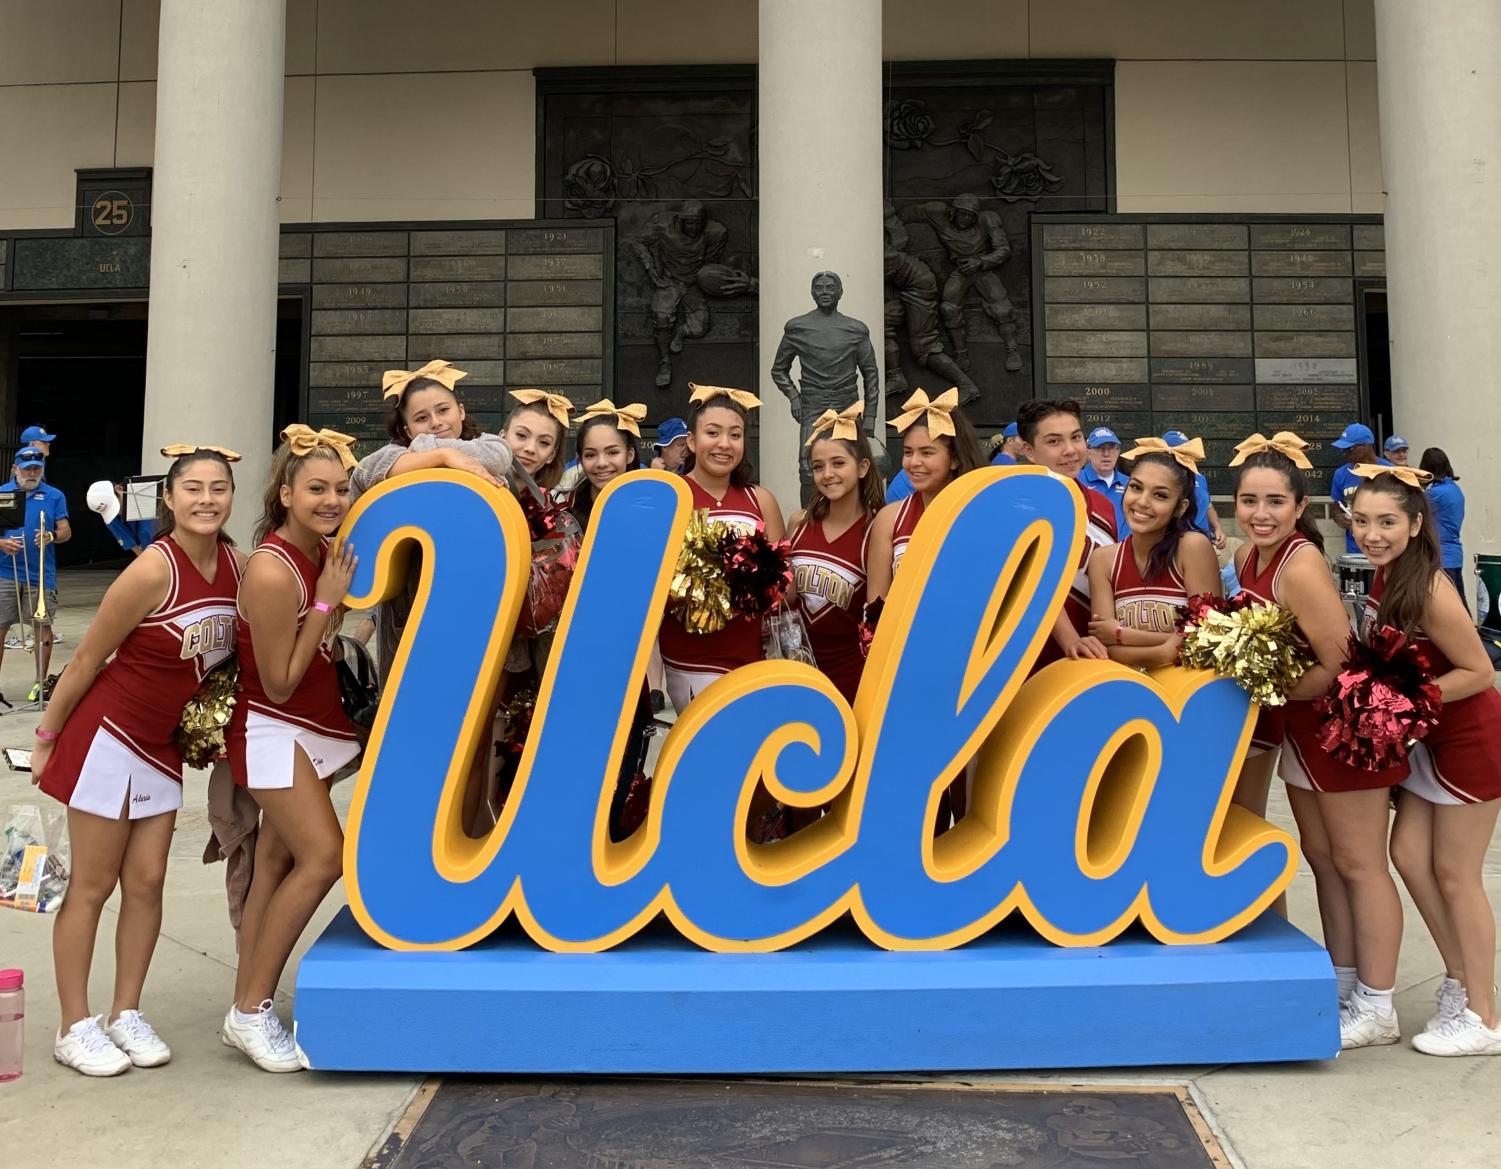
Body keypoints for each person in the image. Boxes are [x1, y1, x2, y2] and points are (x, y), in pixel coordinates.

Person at [31, 446, 241, 1076]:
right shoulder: (154, 568)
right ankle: (74, 1025)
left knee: (147, 882)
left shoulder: (234, 563)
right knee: (92, 887)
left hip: (161, 744)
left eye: (219, 488)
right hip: (108, 734)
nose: (206, 499)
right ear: (169, 499)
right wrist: (45, 739)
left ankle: (126, 1012)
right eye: (193, 489)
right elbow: (89, 657)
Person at [1231, 433, 1406, 1050]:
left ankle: (1379, 1004)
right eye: (1249, 499)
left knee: (1361, 865)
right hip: (1302, 730)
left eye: (1275, 501)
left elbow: (1339, 665)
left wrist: (1259, 685)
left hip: (1343, 729)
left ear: (1299, 506)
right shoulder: (1251, 558)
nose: (1260, 513)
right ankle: (1344, 984)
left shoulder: (1298, 562)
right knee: (1325, 862)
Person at [221, 426, 360, 1073]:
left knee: (276, 860)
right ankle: (251, 1009)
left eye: (339, 487)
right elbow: (276, 682)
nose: (331, 498)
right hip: (274, 729)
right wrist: (328, 598)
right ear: (284, 494)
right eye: (315, 488)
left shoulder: (322, 551)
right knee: (324, 856)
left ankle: (246, 1003)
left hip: (310, 726)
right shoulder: (275, 568)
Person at [1354, 467, 1501, 1055]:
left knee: (1455, 874)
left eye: (1387, 522)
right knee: (1409, 855)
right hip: (1428, 743)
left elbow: (1480, 670)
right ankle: (1461, 981)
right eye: (1362, 521)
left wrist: (1403, 703)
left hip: (1469, 743)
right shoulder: (1384, 578)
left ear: (1416, 525)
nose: (1373, 533)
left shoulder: (1430, 587)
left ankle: (1485, 1017)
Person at [350, 360, 511, 677]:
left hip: (470, 595)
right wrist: (442, 456)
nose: (436, 423)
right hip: (409, 605)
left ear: (461, 411)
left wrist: (427, 447)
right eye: (421, 419)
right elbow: (364, 474)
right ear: (406, 429)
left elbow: (499, 456)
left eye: (443, 410)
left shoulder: (486, 445)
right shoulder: (391, 456)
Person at [656, 384, 785, 714]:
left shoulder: (760, 499)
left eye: (735, 435)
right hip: (689, 660)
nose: (724, 444)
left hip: (753, 659)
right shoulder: (669, 496)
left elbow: (788, 585)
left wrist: (759, 579)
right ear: (691, 441)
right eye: (712, 432)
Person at [568, 399, 656, 837]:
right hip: (571, 664)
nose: (602, 463)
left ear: (630, 455)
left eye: (612, 453)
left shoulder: (655, 510)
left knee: (623, 764)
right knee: (575, 768)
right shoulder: (564, 516)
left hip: (628, 661)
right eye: (590, 454)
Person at [1086, 438, 1221, 668]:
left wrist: (1121, 634)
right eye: (1136, 487)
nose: (1142, 502)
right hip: (1130, 693)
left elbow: (1207, 638)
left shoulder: (1192, 547)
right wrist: (1168, 646)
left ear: (1180, 507)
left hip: (1187, 694)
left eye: (1160, 495)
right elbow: (1104, 648)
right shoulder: (1104, 559)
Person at [788, 404, 883, 705]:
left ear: (863, 467)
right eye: (818, 466)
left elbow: (877, 621)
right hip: (797, 672)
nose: (827, 474)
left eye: (838, 463)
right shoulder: (798, 523)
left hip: (852, 678)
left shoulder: (877, 530)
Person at [1017, 399, 1118, 664]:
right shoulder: (1018, 508)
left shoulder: (1103, 506)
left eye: (1076, 437)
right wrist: (1071, 640)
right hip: (1029, 657)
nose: (1070, 450)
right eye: (1054, 442)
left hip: (1093, 655)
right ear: (1029, 450)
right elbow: (1032, 583)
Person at [867, 389, 984, 605]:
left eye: (927, 453)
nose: (913, 462)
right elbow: (876, 607)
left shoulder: (982, 515)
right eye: (908, 452)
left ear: (955, 459)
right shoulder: (890, 519)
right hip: (905, 639)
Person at [0, 446, 71, 693]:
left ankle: (40, 684)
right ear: (14, 469)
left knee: (42, 626)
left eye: (36, 469)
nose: (32, 473)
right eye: (27, 468)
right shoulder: (2, 493)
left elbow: (65, 531)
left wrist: (51, 535)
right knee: (0, 627)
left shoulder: (54, 495)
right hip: (5, 572)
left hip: (40, 573)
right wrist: (1, 543)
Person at [1329, 422, 1389, 553]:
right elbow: (1336, 506)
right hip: (1355, 548)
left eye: (1349, 449)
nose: (1345, 453)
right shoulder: (1340, 474)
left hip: (1385, 547)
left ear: (1365, 446)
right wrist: (1338, 516)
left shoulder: (1390, 471)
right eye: (1343, 449)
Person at [1162, 430, 1227, 551]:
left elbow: (1208, 507)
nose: (1185, 455)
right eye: (1180, 451)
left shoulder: (1199, 477)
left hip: (1203, 543)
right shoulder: (1161, 480)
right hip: (1174, 546)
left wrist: (1218, 528)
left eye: (1186, 450)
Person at [1420, 448, 1466, 609]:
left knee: (1448, 609)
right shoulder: (1454, 489)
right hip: (1454, 555)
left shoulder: (1435, 494)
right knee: (1460, 605)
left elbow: (1411, 508)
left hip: (1441, 556)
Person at [1079, 426, 1129, 533]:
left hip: (1123, 547)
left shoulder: (1130, 483)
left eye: (1111, 448)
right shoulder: (1076, 482)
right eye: (1099, 448)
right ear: (1088, 452)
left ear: (1118, 452)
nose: (1106, 454)